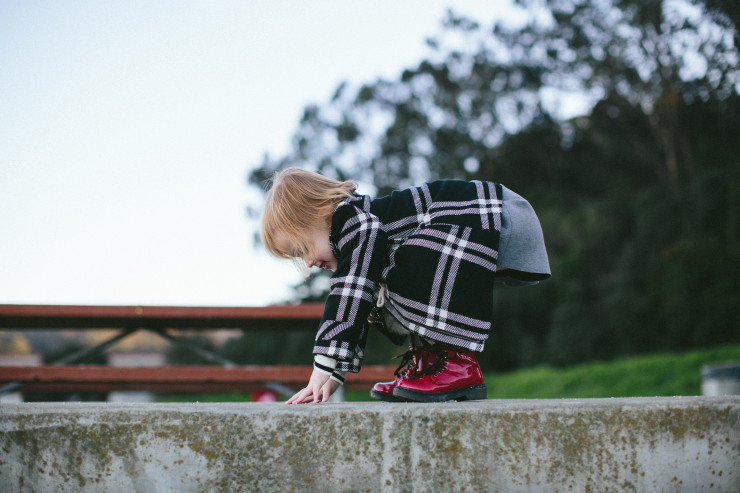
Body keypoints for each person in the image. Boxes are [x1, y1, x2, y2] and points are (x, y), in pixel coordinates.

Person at [260, 167, 550, 404]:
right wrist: (335, 373)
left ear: (321, 212)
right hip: (488, 219)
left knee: (390, 271)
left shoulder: (351, 219)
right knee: (378, 277)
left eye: (302, 248)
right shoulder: (364, 222)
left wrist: (324, 364)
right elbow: (358, 296)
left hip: (498, 217)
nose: (308, 262)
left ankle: (457, 363)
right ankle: (429, 361)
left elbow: (352, 287)